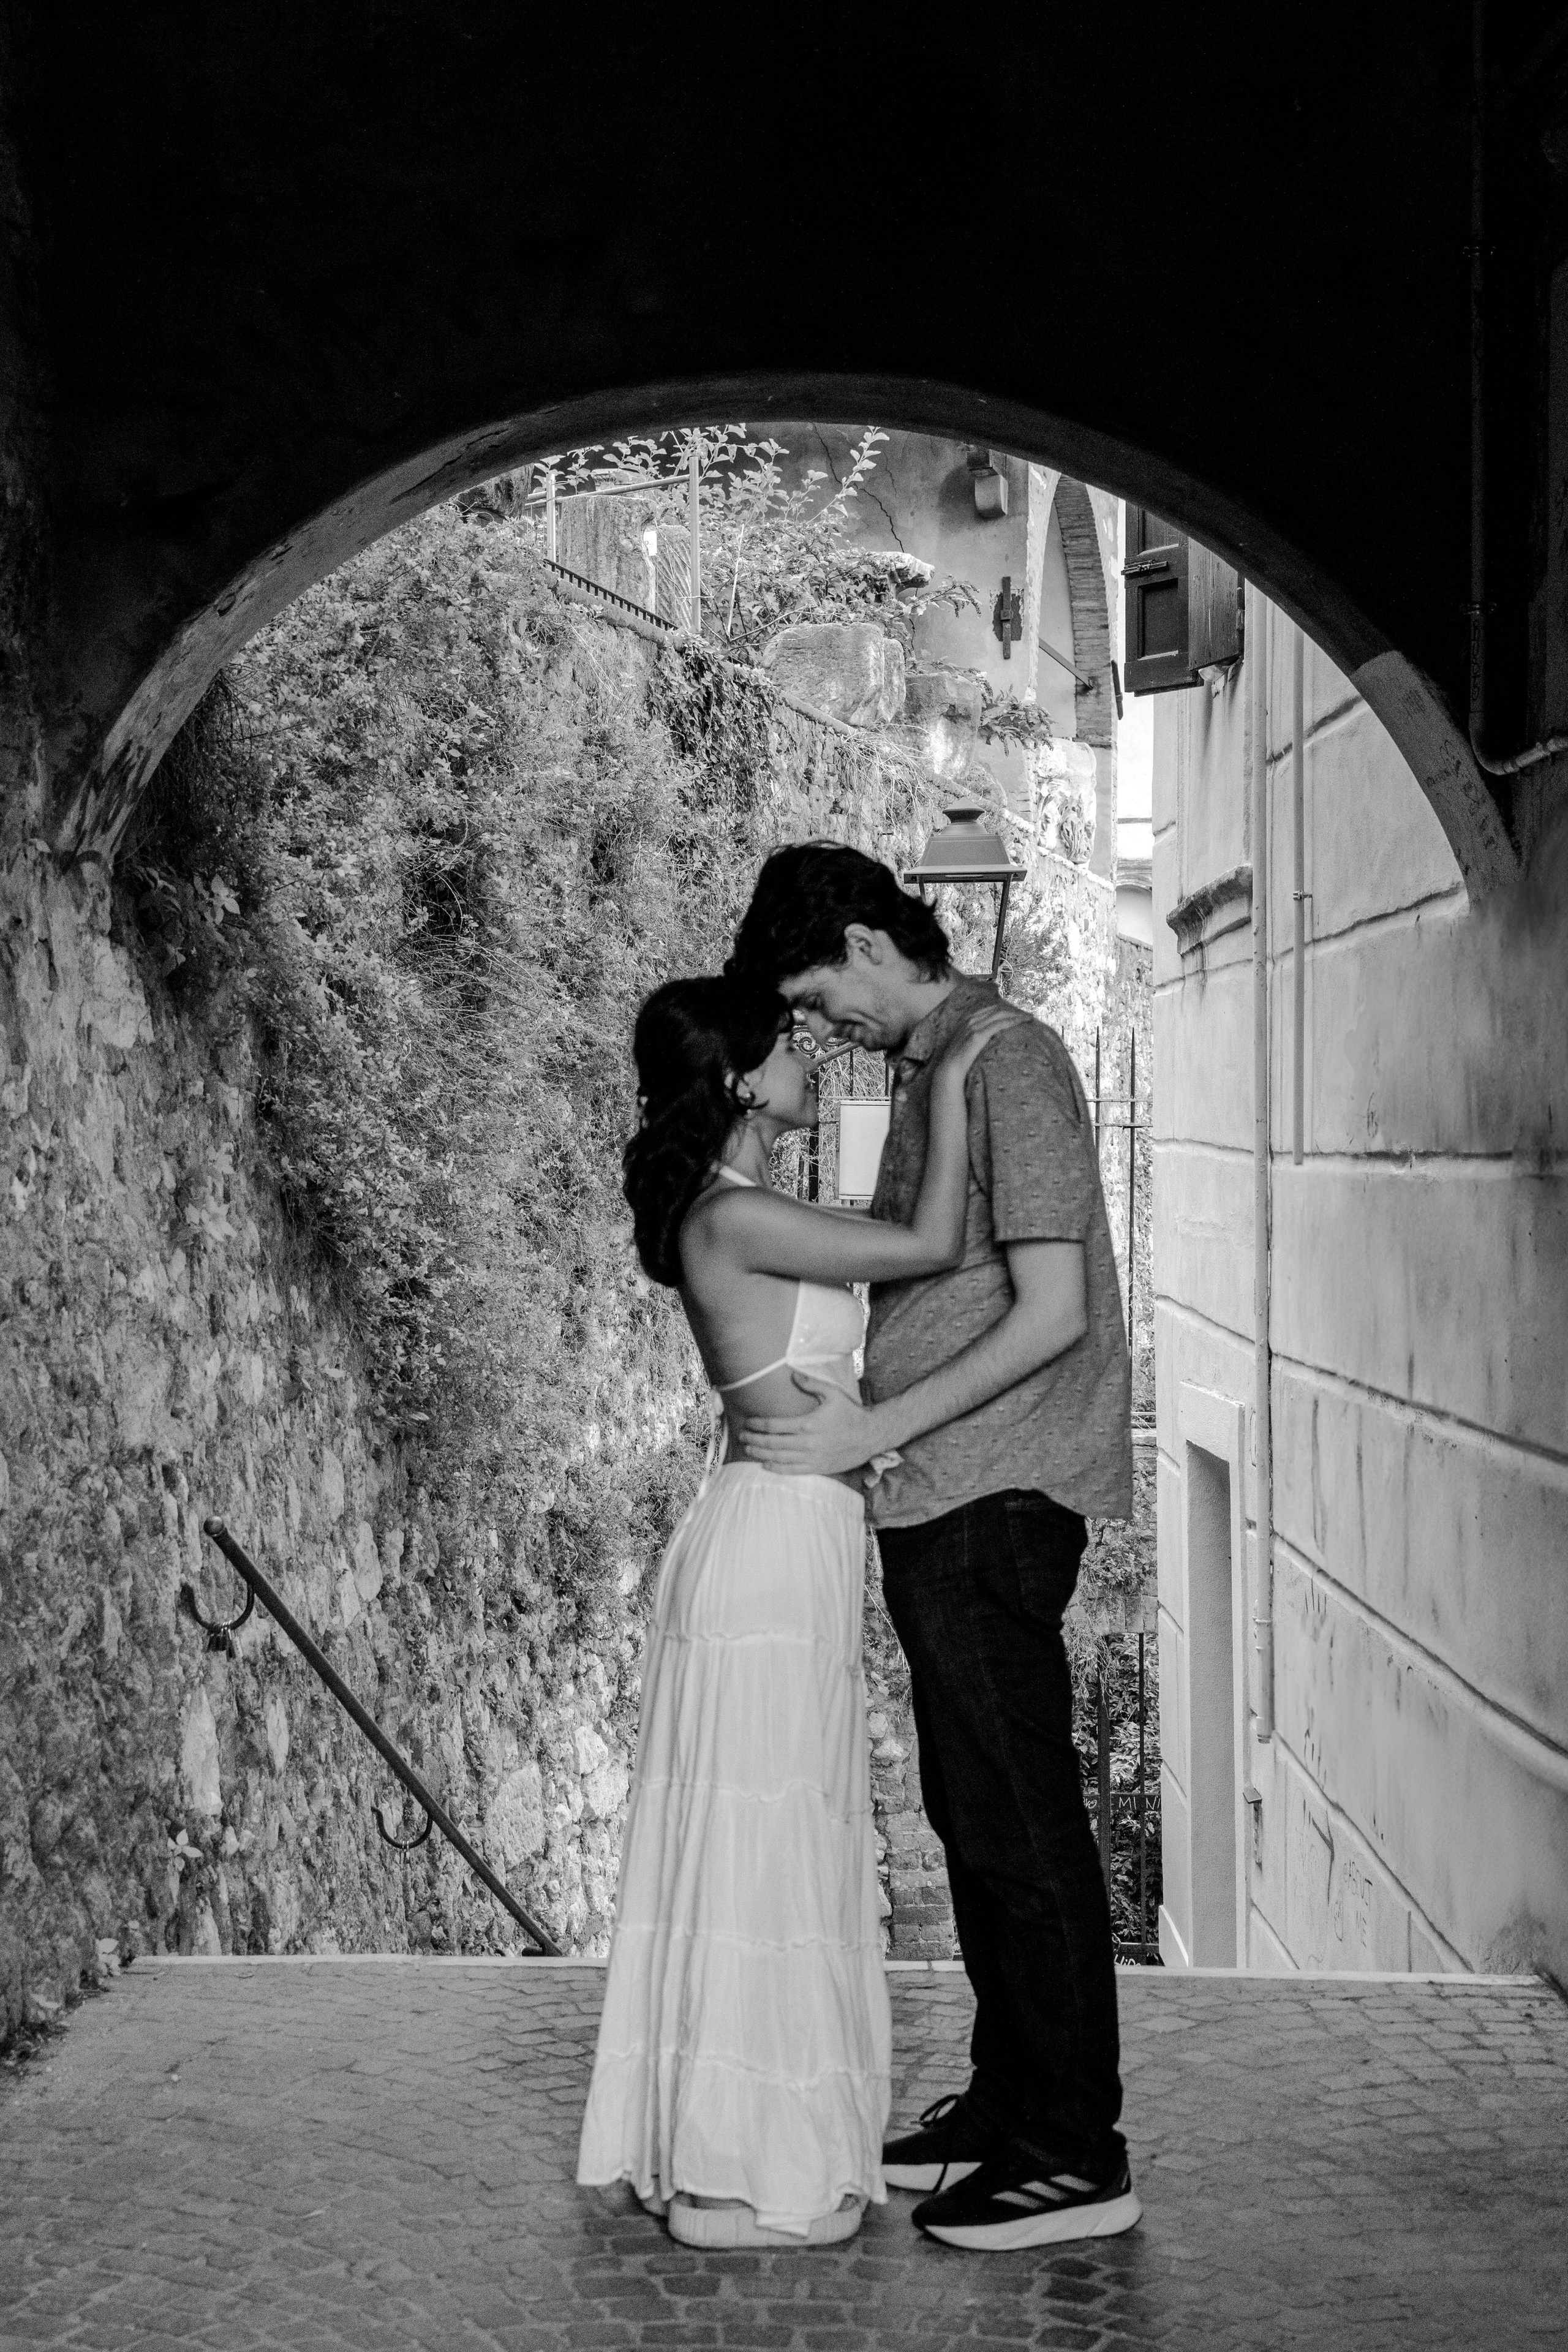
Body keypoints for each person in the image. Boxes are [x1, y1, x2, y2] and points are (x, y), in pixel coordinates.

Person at [726, 842, 1140, 2253]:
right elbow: (930, 1258)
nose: (821, 1029)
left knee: (1019, 1823)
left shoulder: (1003, 1060)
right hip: (943, 1494)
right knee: (976, 1818)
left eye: (820, 999)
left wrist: (874, 1423)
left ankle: (1073, 2151)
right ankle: (1012, 2100)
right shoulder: (935, 1064)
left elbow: (1050, 1311)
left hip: (992, 1492)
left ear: (863, 940)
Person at [576, 970, 1018, 2249]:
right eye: (783, 1046)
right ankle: (730, 2179)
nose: (806, 1056)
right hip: (770, 1545)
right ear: (732, 1078)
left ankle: (738, 2152)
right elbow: (926, 1244)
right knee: (759, 1860)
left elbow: (884, 1228)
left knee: (775, 1844)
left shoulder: (750, 1206)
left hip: (787, 1533)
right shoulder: (734, 1219)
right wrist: (945, 1070)